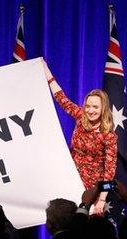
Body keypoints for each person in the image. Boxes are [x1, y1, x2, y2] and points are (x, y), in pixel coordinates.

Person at [42, 60, 117, 216]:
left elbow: (109, 172)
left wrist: (102, 199)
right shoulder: (80, 116)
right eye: (87, 106)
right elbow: (61, 99)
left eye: (95, 107)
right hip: (71, 181)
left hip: (92, 191)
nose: (90, 110)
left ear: (103, 108)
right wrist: (47, 72)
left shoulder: (108, 135)